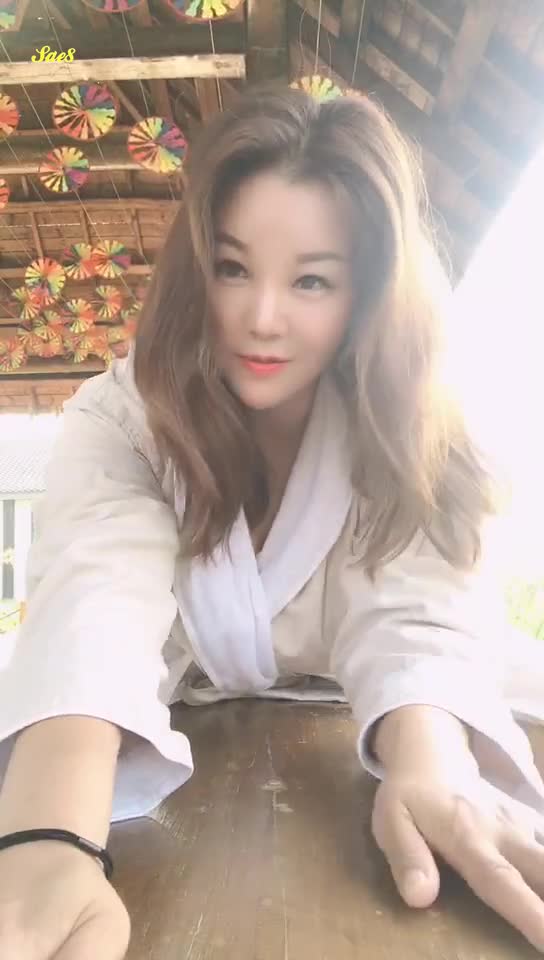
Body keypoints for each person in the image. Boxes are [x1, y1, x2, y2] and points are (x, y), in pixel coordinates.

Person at [0, 82, 543, 959]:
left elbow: (412, 615)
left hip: (386, 715)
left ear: (366, 292)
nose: (262, 317)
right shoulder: (122, 420)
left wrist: (431, 764)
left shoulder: (411, 422)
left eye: (312, 280)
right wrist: (47, 840)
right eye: (233, 268)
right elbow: (93, 606)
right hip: (170, 720)